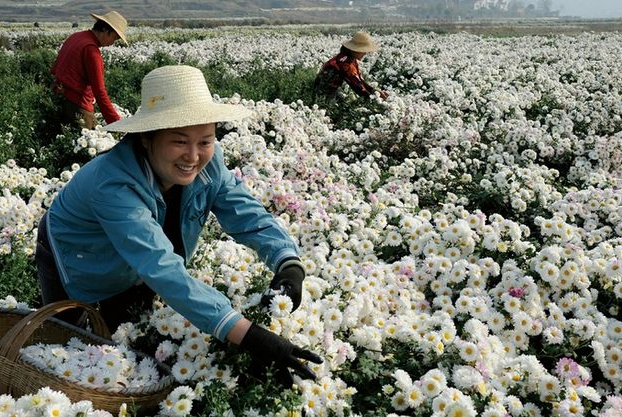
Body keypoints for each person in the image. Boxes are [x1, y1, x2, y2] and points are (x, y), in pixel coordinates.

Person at [35, 65, 321, 384]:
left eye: (205, 140)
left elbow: (244, 212)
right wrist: (249, 335)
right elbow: (160, 266)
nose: (194, 156)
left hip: (137, 264)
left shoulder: (209, 162)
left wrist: (287, 261)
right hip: (78, 254)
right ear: (146, 137)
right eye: (179, 141)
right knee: (74, 350)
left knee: (129, 333)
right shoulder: (114, 185)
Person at [50, 11, 128, 129]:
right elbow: (99, 91)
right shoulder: (91, 50)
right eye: (114, 38)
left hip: (60, 98)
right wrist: (116, 123)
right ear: (106, 31)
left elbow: (55, 68)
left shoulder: (76, 37)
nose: (113, 43)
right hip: (78, 107)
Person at [313, 31, 389, 102]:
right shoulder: (344, 63)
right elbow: (357, 86)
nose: (365, 53)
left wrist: (374, 91)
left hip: (331, 90)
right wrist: (376, 100)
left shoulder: (349, 59)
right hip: (322, 94)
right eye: (363, 50)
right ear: (355, 50)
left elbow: (359, 80)